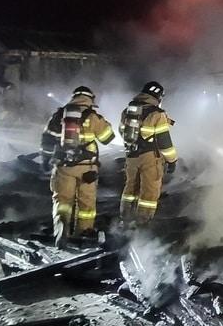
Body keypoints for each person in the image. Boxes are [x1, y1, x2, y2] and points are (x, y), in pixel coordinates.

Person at [41, 85, 115, 245]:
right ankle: (84, 232)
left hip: (63, 166)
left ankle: (61, 227)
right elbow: (108, 138)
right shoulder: (92, 116)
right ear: (90, 99)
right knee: (86, 202)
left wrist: (45, 160)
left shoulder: (59, 115)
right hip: (87, 167)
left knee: (62, 200)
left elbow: (46, 139)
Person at [119, 81, 177, 224]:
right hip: (150, 157)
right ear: (158, 96)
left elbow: (122, 131)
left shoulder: (127, 111)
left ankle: (125, 218)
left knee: (131, 187)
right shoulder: (157, 114)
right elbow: (165, 142)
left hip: (131, 156)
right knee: (149, 191)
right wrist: (172, 160)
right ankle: (142, 223)